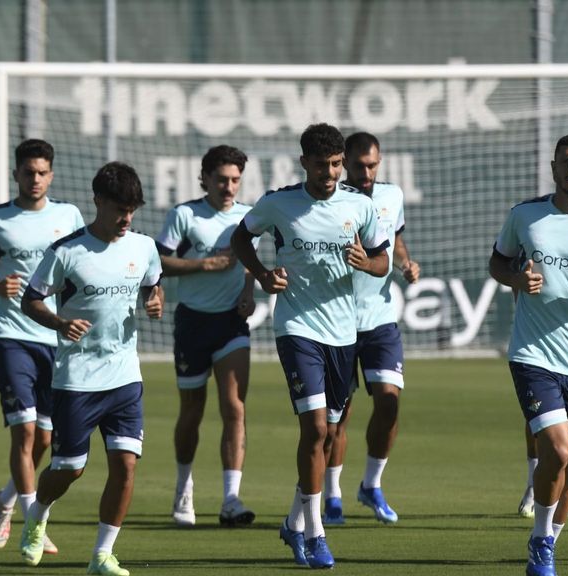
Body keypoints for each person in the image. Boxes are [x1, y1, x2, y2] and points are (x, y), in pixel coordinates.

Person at [230, 123, 389, 569]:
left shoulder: (359, 206)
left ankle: (293, 522)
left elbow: (382, 261)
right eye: (322, 165)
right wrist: (263, 275)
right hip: (297, 328)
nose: (330, 173)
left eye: (336, 164)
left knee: (330, 434)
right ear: (304, 163)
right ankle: (317, 534)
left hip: (343, 334)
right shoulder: (279, 203)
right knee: (316, 429)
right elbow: (241, 237)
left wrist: (367, 263)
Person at [18, 161, 163, 576]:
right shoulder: (67, 251)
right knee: (70, 468)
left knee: (126, 464)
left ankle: (102, 555)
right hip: (77, 378)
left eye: (132, 210)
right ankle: (37, 513)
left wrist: (154, 300)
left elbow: (152, 285)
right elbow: (30, 300)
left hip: (125, 376)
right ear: (98, 201)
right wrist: (59, 323)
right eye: (120, 209)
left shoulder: (144, 247)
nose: (127, 218)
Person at [489, 134, 568, 575]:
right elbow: (497, 263)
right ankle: (541, 541)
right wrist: (515, 279)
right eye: (565, 161)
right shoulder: (525, 216)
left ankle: (546, 543)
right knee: (558, 451)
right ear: (553, 166)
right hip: (533, 353)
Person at [0, 139, 83, 552]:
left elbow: (80, 267)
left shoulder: (68, 216)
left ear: (52, 175)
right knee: (24, 431)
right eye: (28, 172)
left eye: (42, 172)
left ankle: (6, 499)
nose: (35, 179)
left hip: (55, 336)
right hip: (11, 335)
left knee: (45, 439)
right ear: (16, 174)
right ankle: (34, 525)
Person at [154, 145, 256, 527]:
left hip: (231, 323)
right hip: (193, 323)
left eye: (235, 180)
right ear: (205, 179)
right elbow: (158, 261)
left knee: (234, 407)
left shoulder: (247, 217)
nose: (228, 187)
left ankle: (231, 498)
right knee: (192, 411)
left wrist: (248, 293)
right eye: (221, 180)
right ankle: (184, 488)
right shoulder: (184, 215)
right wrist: (203, 264)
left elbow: (251, 263)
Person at [323, 132, 420, 525]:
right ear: (345, 162)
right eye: (360, 165)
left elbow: (395, 239)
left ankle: (371, 484)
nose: (366, 172)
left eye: (373, 165)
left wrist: (405, 263)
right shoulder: (332, 200)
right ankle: (332, 495)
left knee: (389, 403)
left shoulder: (392, 195)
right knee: (337, 417)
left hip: (380, 319)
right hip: (338, 321)